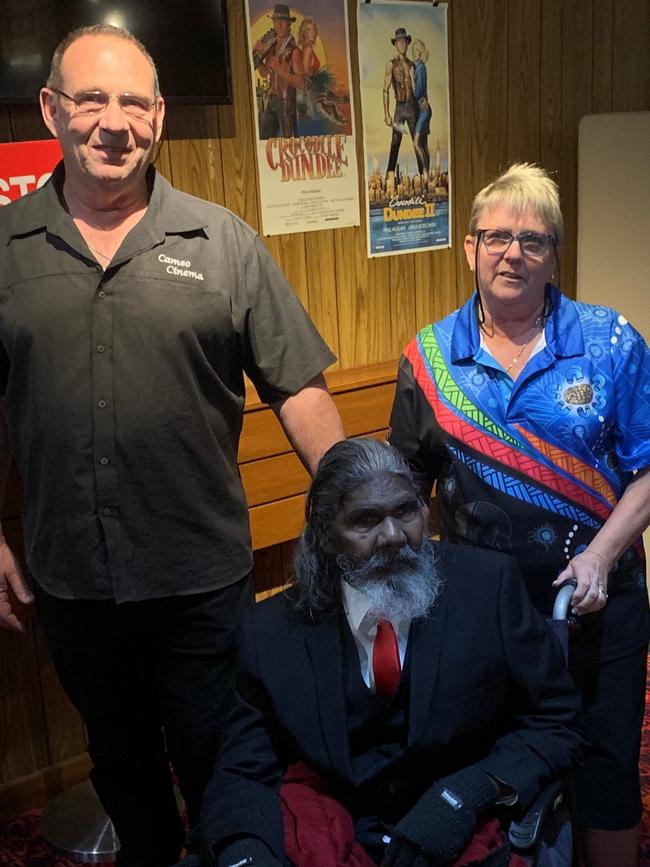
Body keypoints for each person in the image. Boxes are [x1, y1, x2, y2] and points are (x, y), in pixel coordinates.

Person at [0, 23, 344, 867]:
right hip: (74, 584)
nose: (112, 122)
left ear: (159, 116)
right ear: (53, 110)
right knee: (120, 765)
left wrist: (356, 512)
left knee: (221, 761)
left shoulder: (222, 241)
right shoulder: (3, 252)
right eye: (90, 99)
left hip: (201, 581)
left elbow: (298, 385)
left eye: (132, 102)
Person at [388, 163, 650, 867]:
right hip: (483, 618)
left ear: (554, 254)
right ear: (469, 247)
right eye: (497, 236)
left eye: (532, 240)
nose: (513, 253)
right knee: (498, 768)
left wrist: (600, 555)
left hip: (601, 607)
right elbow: (407, 491)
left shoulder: (612, 341)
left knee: (606, 767)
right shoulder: (431, 357)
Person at [199, 438, 585, 867]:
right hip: (333, 829)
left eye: (405, 511)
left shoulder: (487, 588)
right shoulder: (270, 631)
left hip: (459, 828)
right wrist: (245, 854)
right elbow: (243, 768)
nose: (393, 536)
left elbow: (556, 720)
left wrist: (469, 792)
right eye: (365, 520)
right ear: (325, 535)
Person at [254, 4, 305, 139]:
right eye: (276, 21)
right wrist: (257, 56)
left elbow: (302, 83)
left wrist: (281, 71)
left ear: (289, 24)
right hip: (272, 100)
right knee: (264, 139)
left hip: (286, 102)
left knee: (289, 142)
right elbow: (265, 73)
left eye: (282, 21)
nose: (279, 25)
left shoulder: (294, 51)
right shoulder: (270, 46)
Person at [383, 28, 420, 178]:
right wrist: (386, 114)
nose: (402, 44)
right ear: (396, 44)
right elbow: (385, 89)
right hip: (399, 107)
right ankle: (389, 177)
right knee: (395, 142)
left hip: (412, 107)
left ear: (407, 43)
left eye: (404, 41)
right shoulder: (390, 64)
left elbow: (419, 90)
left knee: (418, 142)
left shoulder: (413, 65)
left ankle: (424, 175)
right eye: (399, 41)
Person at [410, 39, 431, 179]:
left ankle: (425, 173)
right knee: (423, 143)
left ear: (422, 52)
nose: (415, 53)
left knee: (416, 143)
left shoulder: (420, 68)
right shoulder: (418, 66)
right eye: (414, 50)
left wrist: (412, 78)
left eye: (418, 50)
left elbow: (418, 93)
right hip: (423, 109)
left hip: (423, 111)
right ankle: (427, 173)